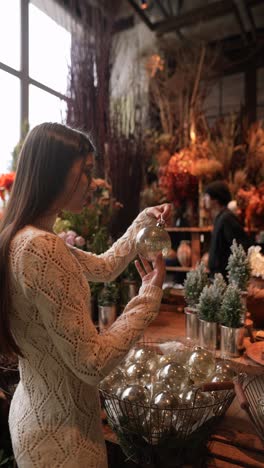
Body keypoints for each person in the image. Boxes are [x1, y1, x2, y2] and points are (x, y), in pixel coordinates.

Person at [0, 122, 171, 468]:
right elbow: (92, 363)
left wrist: (139, 225)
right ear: (55, 173)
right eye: (86, 172)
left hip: (37, 415)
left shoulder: (24, 236)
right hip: (63, 439)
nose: (93, 183)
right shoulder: (41, 247)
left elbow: (104, 267)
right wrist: (147, 300)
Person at [204, 180, 250, 278]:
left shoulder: (227, 218)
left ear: (215, 199)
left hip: (225, 277)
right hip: (217, 276)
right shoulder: (220, 217)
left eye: (207, 196)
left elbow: (240, 246)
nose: (204, 199)